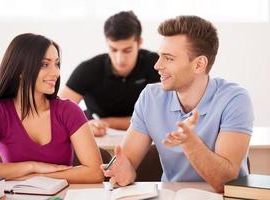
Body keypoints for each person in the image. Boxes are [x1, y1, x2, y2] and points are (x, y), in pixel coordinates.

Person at [101, 15, 254, 193]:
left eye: (169, 58)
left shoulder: (235, 100)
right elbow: (126, 161)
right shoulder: (150, 97)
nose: (157, 65)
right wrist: (124, 171)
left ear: (199, 65)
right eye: (160, 56)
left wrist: (190, 143)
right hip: (172, 196)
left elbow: (225, 183)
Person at [0, 33, 104, 183]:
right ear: (20, 70)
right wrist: (32, 166)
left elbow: (95, 173)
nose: (56, 72)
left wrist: (37, 177)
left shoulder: (69, 111)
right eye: (44, 64)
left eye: (56, 63)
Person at [59, 11, 160, 136]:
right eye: (113, 49)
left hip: (143, 137)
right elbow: (57, 114)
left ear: (139, 42)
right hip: (95, 138)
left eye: (127, 50)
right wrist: (84, 126)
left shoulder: (156, 64)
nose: (120, 59)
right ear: (107, 43)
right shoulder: (88, 69)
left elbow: (161, 117)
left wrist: (107, 122)